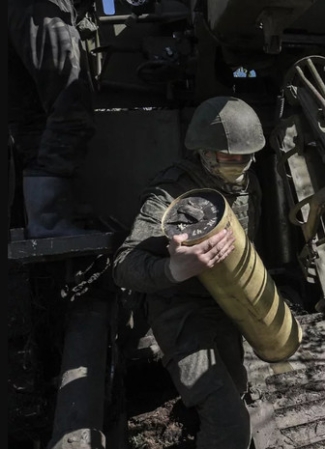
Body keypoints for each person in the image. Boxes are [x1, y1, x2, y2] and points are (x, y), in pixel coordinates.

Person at [113, 96, 265, 449]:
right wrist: (175, 268)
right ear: (205, 153)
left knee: (237, 389)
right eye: (229, 157)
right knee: (231, 428)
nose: (238, 165)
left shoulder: (248, 185)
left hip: (225, 307)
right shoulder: (169, 194)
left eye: (245, 157)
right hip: (180, 314)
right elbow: (123, 266)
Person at [8, 0, 97, 238]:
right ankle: (49, 222)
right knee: (71, 101)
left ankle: (43, 220)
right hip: (41, 8)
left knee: (30, 117)